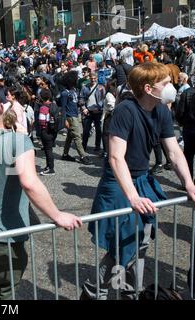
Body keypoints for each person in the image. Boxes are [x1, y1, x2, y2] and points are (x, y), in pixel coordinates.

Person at [0, 82, 82, 300]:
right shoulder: (18, 141)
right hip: (4, 230)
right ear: (1, 108)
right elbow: (29, 182)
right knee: (8, 288)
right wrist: (57, 215)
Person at [81, 62, 195, 300]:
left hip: (142, 179)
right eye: (165, 84)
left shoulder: (162, 110)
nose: (171, 87)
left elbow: (174, 153)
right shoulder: (125, 110)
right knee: (122, 246)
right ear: (148, 88)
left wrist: (190, 184)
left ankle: (130, 293)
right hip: (119, 183)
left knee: (139, 242)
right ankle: (94, 292)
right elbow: (115, 157)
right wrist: (132, 195)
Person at [60, 71, 93, 165]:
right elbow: (63, 108)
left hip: (75, 115)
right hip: (70, 117)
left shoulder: (73, 90)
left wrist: (82, 108)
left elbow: (76, 102)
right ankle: (83, 156)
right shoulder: (64, 93)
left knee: (70, 136)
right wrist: (65, 120)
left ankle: (65, 154)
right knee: (77, 136)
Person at [80, 72, 106, 153]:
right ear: (89, 79)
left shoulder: (101, 87)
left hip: (97, 111)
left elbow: (104, 99)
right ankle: (83, 146)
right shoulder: (85, 87)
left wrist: (99, 107)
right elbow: (81, 98)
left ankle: (97, 146)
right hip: (87, 111)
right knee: (86, 130)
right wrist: (83, 108)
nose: (93, 80)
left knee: (98, 130)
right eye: (91, 79)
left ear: (97, 78)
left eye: (95, 79)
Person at [38, 89, 57, 176]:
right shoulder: (53, 105)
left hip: (45, 130)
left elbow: (42, 121)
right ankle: (48, 166)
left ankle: (51, 168)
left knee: (48, 150)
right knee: (48, 149)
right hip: (53, 130)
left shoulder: (43, 108)